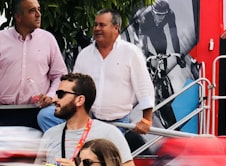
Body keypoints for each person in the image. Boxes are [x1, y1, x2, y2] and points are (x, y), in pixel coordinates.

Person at [39, 9, 154, 140]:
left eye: (102, 25)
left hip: (116, 123)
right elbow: (73, 86)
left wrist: (146, 120)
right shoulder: (85, 55)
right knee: (45, 116)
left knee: (97, 154)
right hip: (87, 116)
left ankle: (77, 149)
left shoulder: (131, 52)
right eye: (95, 25)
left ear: (116, 28)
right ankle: (68, 148)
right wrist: (54, 99)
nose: (97, 28)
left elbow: (144, 87)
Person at [0, 0, 67, 131]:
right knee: (6, 151)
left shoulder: (48, 40)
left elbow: (60, 75)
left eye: (39, 9)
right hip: (5, 112)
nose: (39, 14)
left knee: (37, 152)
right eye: (32, 11)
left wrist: (51, 96)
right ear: (18, 16)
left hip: (38, 113)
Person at [37, 73, 136, 166]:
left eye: (61, 94)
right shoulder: (50, 134)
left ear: (80, 100)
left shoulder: (109, 133)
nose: (54, 99)